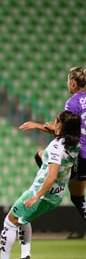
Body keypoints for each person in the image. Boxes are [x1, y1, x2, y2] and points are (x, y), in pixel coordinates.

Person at [0, 110, 81, 259]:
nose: (53, 123)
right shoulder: (76, 144)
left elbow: (51, 176)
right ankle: (25, 257)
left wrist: (35, 197)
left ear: (62, 126)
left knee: (10, 222)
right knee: (24, 219)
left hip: (41, 193)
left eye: (57, 121)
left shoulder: (56, 147)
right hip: (57, 196)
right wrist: (37, 126)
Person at [19, 67, 86, 238]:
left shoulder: (72, 103)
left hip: (81, 153)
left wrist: (39, 126)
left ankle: (55, 184)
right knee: (77, 196)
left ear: (73, 83)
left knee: (41, 156)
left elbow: (67, 132)